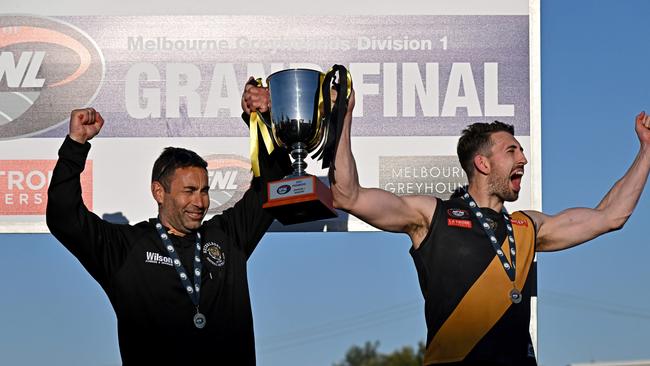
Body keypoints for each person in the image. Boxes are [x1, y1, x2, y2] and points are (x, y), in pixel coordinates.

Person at [317, 89, 649, 364]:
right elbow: (348, 195)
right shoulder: (432, 216)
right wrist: (343, 117)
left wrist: (647, 150)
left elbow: (611, 216)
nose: (523, 159)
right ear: (483, 163)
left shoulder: (526, 226)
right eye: (512, 151)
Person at [46, 87, 291, 364]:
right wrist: (75, 146)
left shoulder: (226, 236)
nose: (200, 202)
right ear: (159, 192)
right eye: (189, 191)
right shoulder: (125, 248)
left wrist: (262, 120)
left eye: (204, 190)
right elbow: (63, 217)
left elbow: (273, 184)